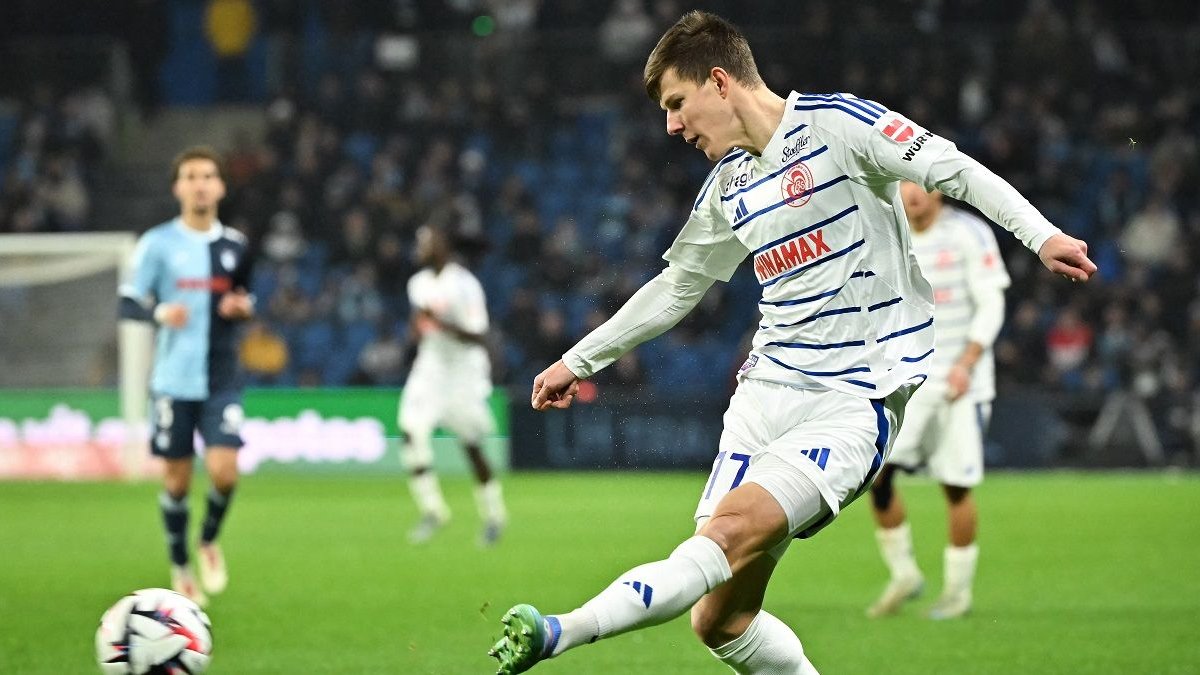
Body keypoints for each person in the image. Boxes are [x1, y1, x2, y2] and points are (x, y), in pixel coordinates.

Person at [489, 11, 1096, 674]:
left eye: (676, 103)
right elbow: (677, 287)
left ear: (718, 81)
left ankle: (556, 631)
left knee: (725, 537)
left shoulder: (839, 125)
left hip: (851, 399)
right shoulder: (729, 184)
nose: (671, 126)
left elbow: (950, 168)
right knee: (720, 619)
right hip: (763, 398)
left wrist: (1041, 235)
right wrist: (578, 360)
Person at [866, 182, 1010, 621]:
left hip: (957, 382)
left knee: (955, 484)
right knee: (874, 474)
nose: (912, 194)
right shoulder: (885, 230)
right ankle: (904, 573)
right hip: (904, 379)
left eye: (921, 185)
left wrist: (967, 363)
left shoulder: (969, 233)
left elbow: (991, 304)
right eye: (903, 185)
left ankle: (957, 593)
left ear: (939, 191)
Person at [119, 146, 255, 607]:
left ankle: (208, 540)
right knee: (176, 482)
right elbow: (128, 302)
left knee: (225, 473)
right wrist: (160, 311)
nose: (200, 184)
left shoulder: (236, 245)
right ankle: (180, 565)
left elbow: (244, 299)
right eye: (191, 176)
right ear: (178, 187)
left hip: (221, 377)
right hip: (173, 380)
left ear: (221, 187)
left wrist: (242, 308)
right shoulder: (157, 243)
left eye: (208, 176)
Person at [399, 224, 507, 546]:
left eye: (426, 241)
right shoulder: (417, 283)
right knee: (410, 431)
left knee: (471, 445)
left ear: (442, 245)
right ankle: (433, 510)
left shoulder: (464, 284)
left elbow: (478, 335)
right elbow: (419, 326)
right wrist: (418, 326)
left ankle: (494, 514)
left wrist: (438, 321)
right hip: (431, 367)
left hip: (463, 371)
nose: (420, 247)